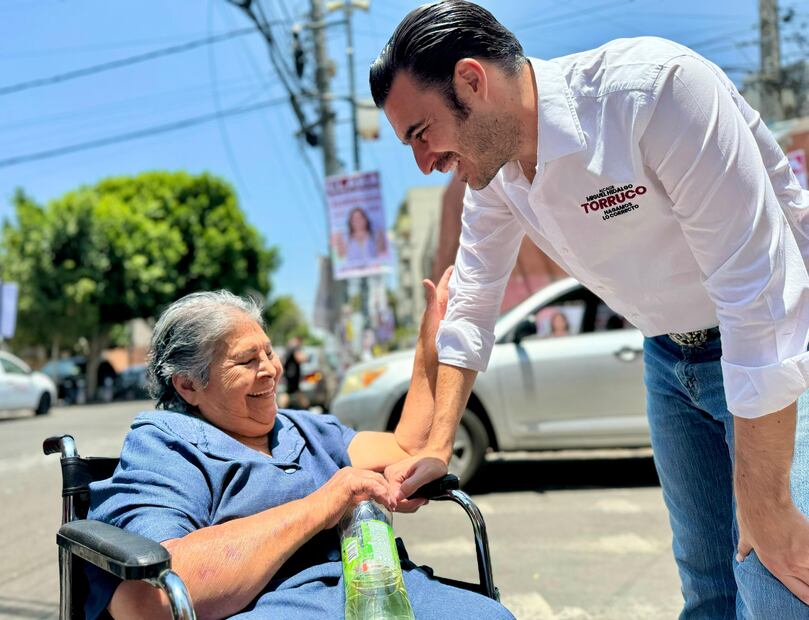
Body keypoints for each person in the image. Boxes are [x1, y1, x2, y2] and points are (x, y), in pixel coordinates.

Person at [370, 1, 809, 617]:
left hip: (779, 348)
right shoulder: (494, 177)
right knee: (707, 589)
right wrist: (439, 443)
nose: (424, 161)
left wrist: (765, 500)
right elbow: (469, 302)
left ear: (472, 80)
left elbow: (756, 292)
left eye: (422, 133)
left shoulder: (653, 93)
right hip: (667, 359)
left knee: (776, 579)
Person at [84, 280, 515, 620]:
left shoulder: (302, 428)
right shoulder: (165, 444)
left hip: (378, 587)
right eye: (247, 361)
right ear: (189, 385)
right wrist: (322, 503)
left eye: (269, 353)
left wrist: (431, 343)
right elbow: (149, 598)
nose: (271, 370)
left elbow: (407, 448)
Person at [282, 335, 307, 409]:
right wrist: (306, 358)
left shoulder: (289, 348)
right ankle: (281, 408)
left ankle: (306, 407)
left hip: (290, 374)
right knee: (288, 393)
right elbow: (300, 358)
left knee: (294, 392)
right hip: (293, 375)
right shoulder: (295, 348)